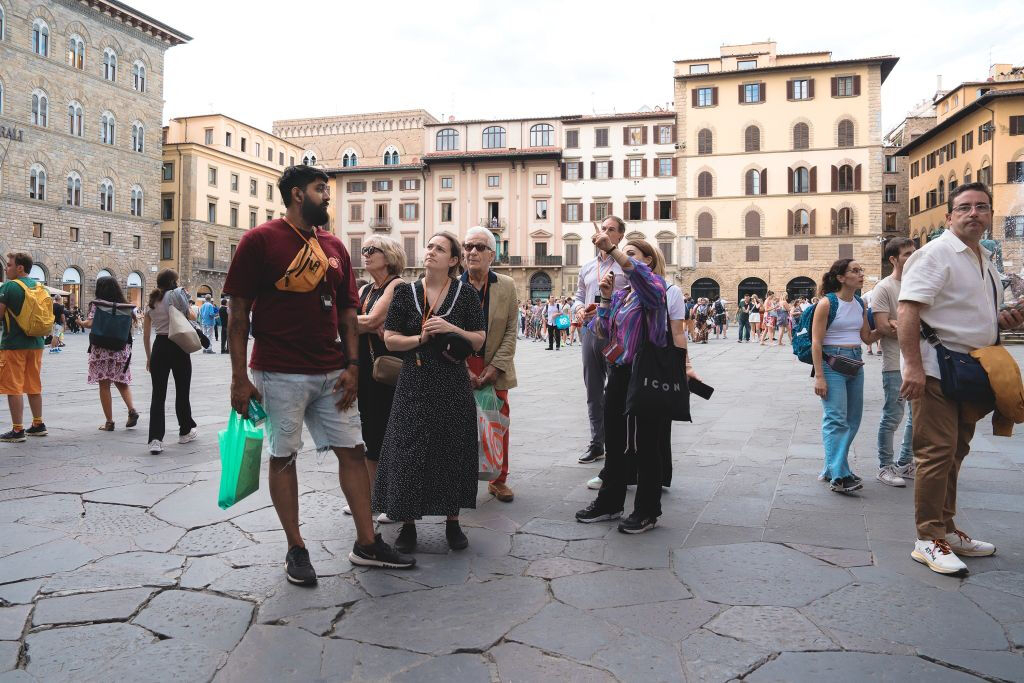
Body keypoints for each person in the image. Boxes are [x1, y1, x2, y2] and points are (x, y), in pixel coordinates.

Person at [225, 165, 414, 583]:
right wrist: (239, 377)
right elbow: (238, 312)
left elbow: (349, 312)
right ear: (296, 194)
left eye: (326, 189)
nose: (327, 196)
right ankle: (296, 548)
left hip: (333, 373)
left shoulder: (334, 247)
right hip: (277, 370)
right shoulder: (259, 241)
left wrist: (352, 366)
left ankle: (366, 542)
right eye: (319, 189)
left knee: (353, 449)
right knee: (283, 455)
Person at [898, 183, 1024, 575]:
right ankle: (927, 538)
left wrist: (1002, 320)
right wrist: (914, 368)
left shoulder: (984, 258)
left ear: (989, 216)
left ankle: (946, 530)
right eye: (964, 208)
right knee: (936, 454)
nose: (974, 213)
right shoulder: (936, 254)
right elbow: (907, 312)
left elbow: (964, 313)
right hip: (937, 370)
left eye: (981, 207)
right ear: (949, 216)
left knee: (955, 453)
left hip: (971, 371)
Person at [575, 234, 699, 533]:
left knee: (647, 445)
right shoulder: (623, 295)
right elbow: (604, 332)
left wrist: (614, 249)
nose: (618, 257)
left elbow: (639, 276)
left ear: (648, 261)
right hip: (619, 372)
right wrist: (604, 298)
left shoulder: (655, 289)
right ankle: (610, 502)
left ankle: (646, 509)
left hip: (646, 373)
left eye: (629, 252)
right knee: (616, 442)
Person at [375, 231, 486, 553]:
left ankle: (453, 522)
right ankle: (407, 524)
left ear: (453, 260)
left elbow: (479, 339)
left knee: (451, 450)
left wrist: (450, 329)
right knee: (408, 451)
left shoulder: (464, 295)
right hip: (414, 380)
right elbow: (390, 339)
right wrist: (420, 340)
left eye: (439, 249)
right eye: (429, 247)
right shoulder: (405, 293)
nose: (430, 252)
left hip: (452, 382)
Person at [345, 235, 406, 523]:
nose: (365, 254)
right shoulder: (368, 289)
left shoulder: (398, 286)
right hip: (369, 370)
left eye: (372, 250)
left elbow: (366, 322)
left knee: (389, 435)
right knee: (370, 434)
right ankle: (372, 497)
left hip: (390, 370)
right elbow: (361, 322)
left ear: (390, 255)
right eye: (364, 250)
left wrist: (336, 320)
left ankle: (394, 500)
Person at [462, 227, 519, 503]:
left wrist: (495, 366)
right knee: (458, 424)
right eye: (468, 246)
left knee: (498, 422)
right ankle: (459, 478)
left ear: (491, 255)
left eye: (479, 247)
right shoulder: (452, 284)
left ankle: (499, 480)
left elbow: (511, 330)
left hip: (494, 366)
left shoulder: (506, 285)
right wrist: (464, 368)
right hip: (458, 366)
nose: (472, 251)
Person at [811, 260, 876, 493]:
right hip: (832, 363)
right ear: (840, 277)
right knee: (836, 419)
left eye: (861, 270)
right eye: (855, 271)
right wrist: (819, 376)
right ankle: (840, 475)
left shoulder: (860, 303)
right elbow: (816, 342)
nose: (861, 275)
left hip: (855, 363)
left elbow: (867, 338)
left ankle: (833, 467)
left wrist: (891, 327)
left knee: (853, 419)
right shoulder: (827, 303)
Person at [572, 216, 629, 465]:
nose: (604, 232)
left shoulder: (626, 265)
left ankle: (621, 444)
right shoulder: (586, 266)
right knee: (593, 390)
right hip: (590, 331)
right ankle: (597, 443)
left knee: (616, 389)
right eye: (603, 228)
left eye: (611, 229)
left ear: (620, 237)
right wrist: (578, 309)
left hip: (617, 333)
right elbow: (578, 296)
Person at [870, 238, 917, 488]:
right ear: (893, 260)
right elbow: (882, 326)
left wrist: (902, 325)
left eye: (914, 252)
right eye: (907, 254)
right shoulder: (884, 288)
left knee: (916, 417)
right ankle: (884, 466)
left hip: (920, 362)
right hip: (895, 363)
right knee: (892, 416)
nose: (913, 257)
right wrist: (906, 327)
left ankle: (905, 462)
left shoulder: (919, 284)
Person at [143, 269, 198, 454]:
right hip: (178, 344)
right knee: (183, 391)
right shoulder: (176, 296)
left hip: (159, 346)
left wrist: (149, 357)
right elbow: (192, 316)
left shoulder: (150, 303)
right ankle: (185, 432)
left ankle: (155, 440)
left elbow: (145, 335)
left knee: (158, 395)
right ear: (173, 282)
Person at [81, 276, 140, 431]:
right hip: (120, 349)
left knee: (104, 385)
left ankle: (109, 422)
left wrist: (80, 322)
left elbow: (90, 323)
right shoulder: (125, 307)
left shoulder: (98, 305)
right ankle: (132, 410)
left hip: (101, 349)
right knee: (121, 382)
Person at [0, 253, 47, 443]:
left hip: (14, 344)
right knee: (33, 384)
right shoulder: (38, 286)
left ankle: (17, 430)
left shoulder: (9, 286)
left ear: (20, 268)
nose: (6, 268)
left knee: (14, 387)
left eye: (9, 265)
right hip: (36, 343)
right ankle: (38, 424)